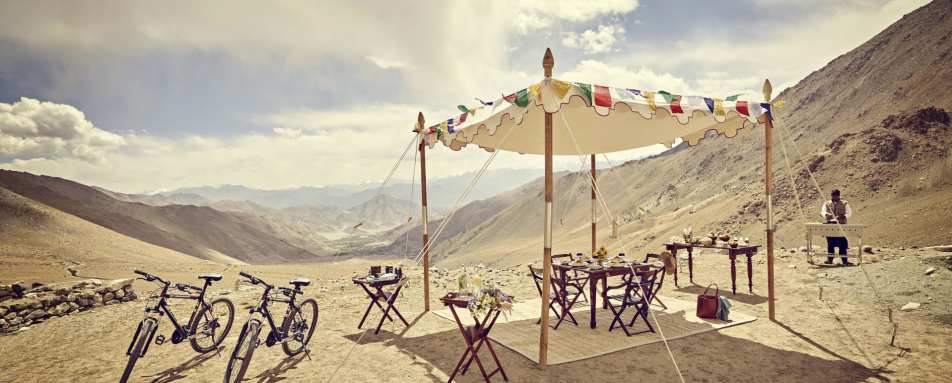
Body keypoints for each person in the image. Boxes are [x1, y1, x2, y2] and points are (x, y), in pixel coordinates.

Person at [821, 189, 853, 266]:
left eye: (836, 196)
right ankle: (830, 259)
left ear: (839, 196)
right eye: (833, 196)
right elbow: (823, 211)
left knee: (842, 244)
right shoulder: (827, 203)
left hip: (841, 226)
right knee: (830, 244)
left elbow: (849, 213)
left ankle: (844, 261)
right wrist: (826, 214)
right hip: (830, 226)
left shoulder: (845, 203)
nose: (834, 197)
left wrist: (843, 216)